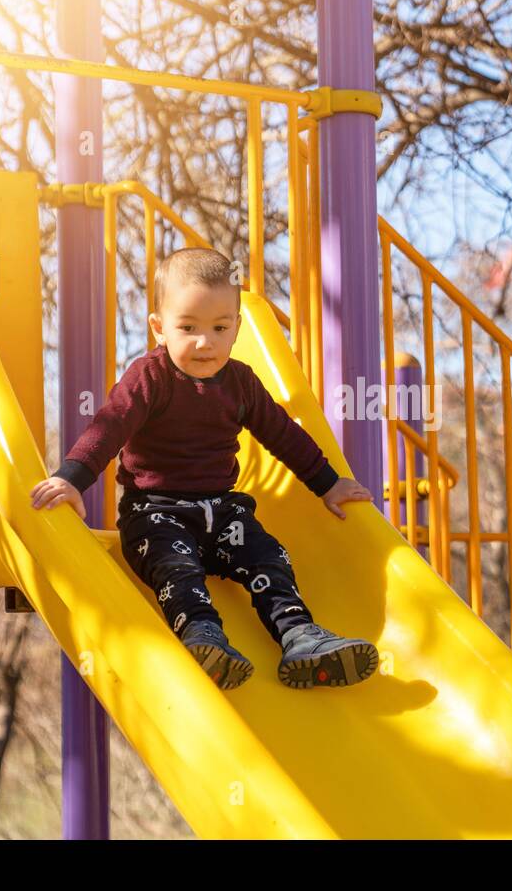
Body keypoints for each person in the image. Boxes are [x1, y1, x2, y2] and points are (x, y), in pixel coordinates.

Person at [30, 247, 379, 691]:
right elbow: (110, 425)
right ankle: (202, 635)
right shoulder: (149, 378)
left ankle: (298, 635)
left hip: (222, 513)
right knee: (175, 567)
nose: (204, 342)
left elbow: (283, 435)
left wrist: (327, 484)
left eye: (219, 328)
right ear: (160, 328)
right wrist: (72, 477)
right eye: (188, 328)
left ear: (236, 326)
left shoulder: (241, 382)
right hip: (154, 514)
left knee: (268, 557)